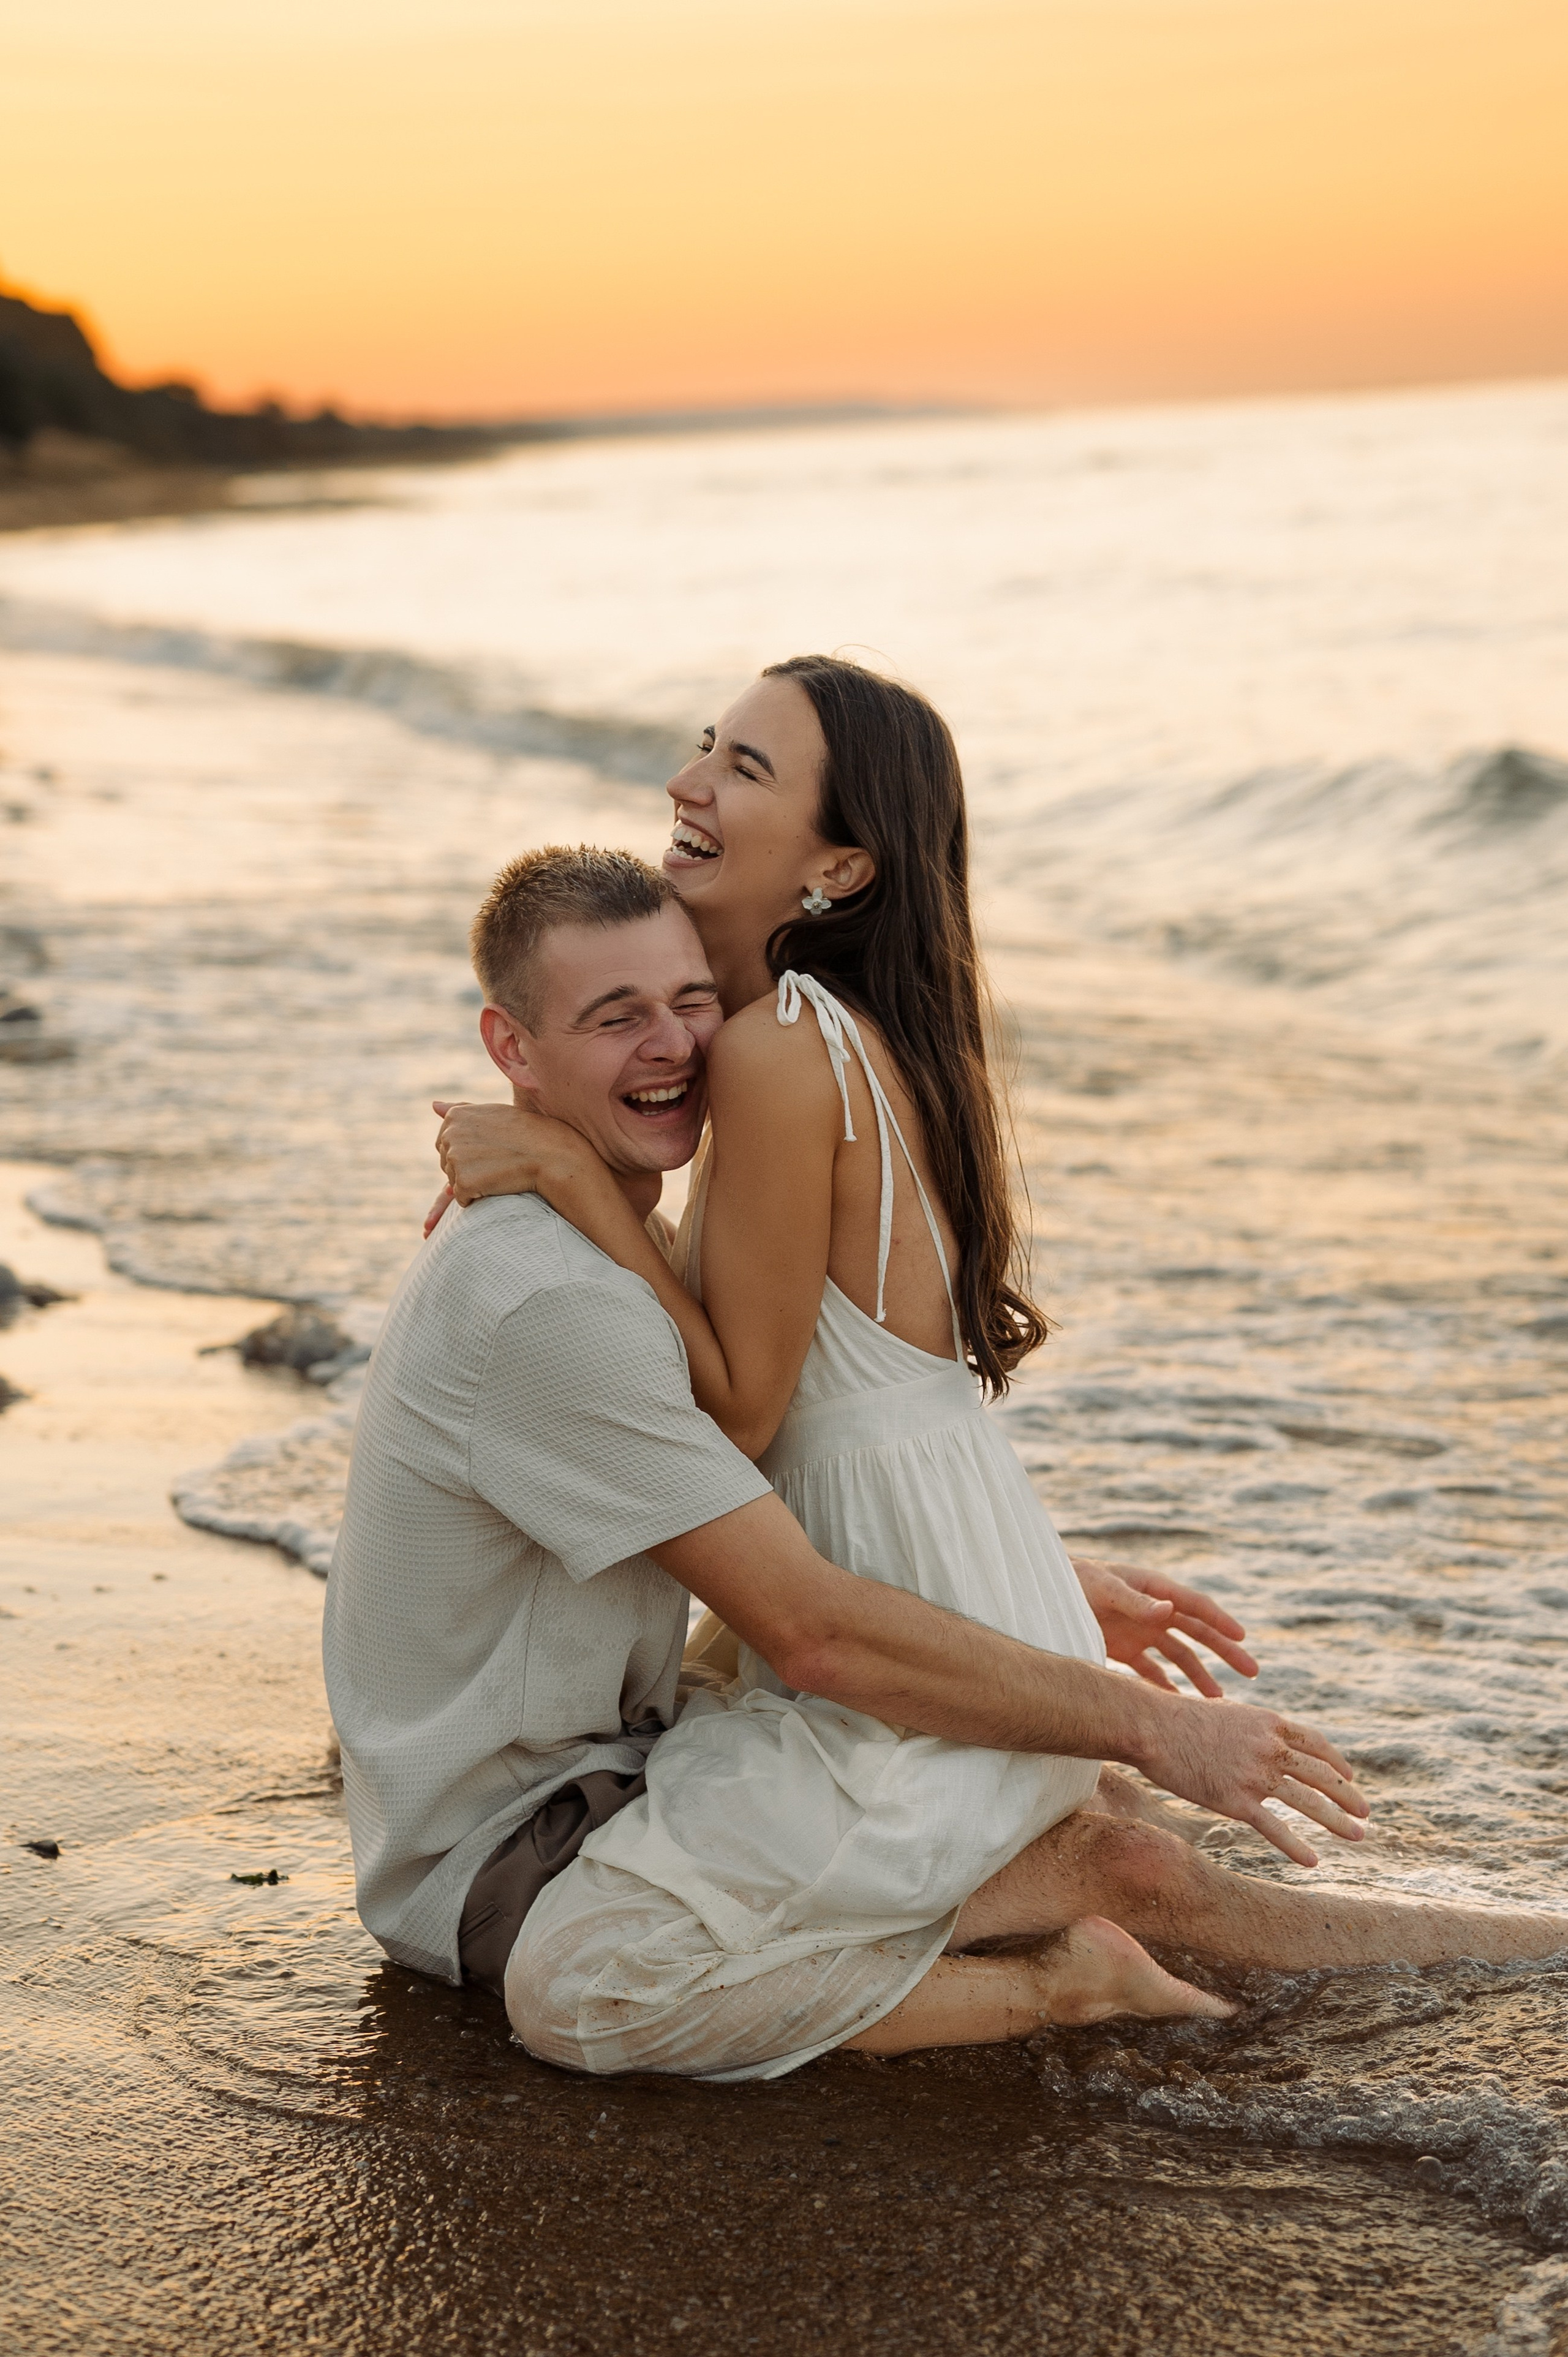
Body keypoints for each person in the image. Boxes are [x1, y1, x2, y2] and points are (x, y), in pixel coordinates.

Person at [415, 676, 1565, 2078]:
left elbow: (737, 1414)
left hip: (911, 1664)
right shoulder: (830, 1037)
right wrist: (1038, 1576)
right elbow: (847, 1410)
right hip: (948, 1601)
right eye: (705, 747)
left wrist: (575, 1187)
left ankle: (1114, 1968)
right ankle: (1498, 1943)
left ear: (837, 865)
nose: (691, 781)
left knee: (595, 1976)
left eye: (745, 767)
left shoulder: (779, 1054)